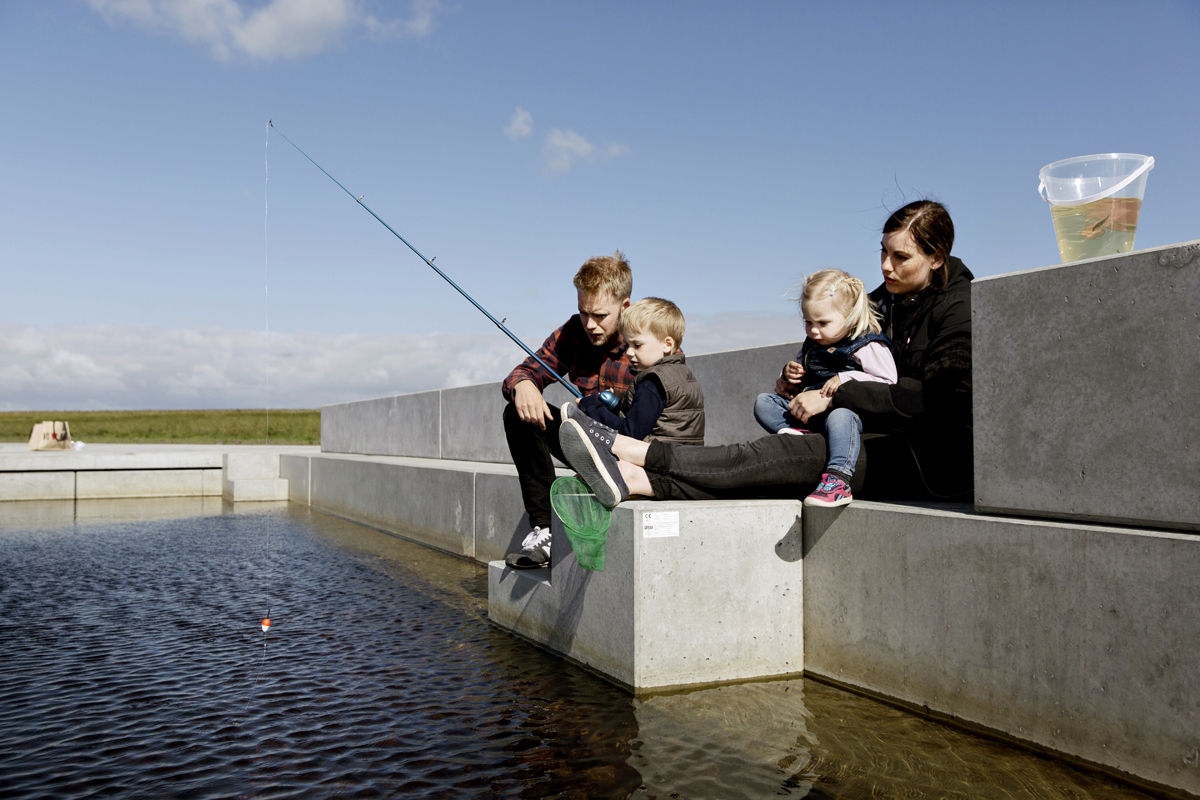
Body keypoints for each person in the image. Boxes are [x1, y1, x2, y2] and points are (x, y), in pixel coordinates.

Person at [558, 200, 973, 507]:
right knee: (762, 470)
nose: (885, 266)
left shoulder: (959, 309)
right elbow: (824, 350)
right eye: (883, 252)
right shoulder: (879, 302)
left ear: (936, 257)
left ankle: (629, 451)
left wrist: (833, 394)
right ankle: (635, 481)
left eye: (900, 257)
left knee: (771, 456)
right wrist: (797, 379)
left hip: (920, 457)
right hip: (863, 432)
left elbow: (937, 400)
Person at [502, 251, 635, 569]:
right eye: (583, 312)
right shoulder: (574, 332)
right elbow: (525, 371)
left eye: (600, 315)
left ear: (625, 306)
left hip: (628, 451)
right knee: (517, 413)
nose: (590, 324)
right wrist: (524, 386)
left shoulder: (646, 339)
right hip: (583, 442)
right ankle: (545, 529)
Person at [752, 269, 896, 507]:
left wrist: (846, 378)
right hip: (810, 415)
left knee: (841, 416)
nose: (814, 330)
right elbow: (803, 367)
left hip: (846, 415)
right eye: (808, 322)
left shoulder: (867, 343)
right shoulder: (814, 343)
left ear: (850, 316)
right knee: (763, 401)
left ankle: (838, 479)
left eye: (823, 322)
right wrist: (789, 374)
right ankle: (799, 434)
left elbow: (888, 382)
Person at [564, 297, 705, 446]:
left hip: (658, 463)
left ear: (667, 344)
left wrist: (592, 407)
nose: (629, 352)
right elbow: (656, 421)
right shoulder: (683, 373)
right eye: (628, 344)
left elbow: (630, 433)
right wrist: (620, 407)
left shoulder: (653, 383)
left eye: (637, 345)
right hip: (685, 459)